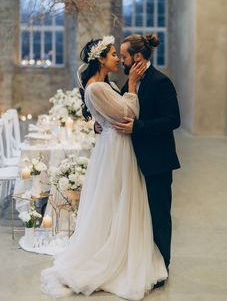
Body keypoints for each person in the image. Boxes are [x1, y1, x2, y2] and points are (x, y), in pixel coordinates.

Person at [41, 36, 168, 300]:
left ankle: (123, 248)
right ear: (100, 59)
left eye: (119, 55)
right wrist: (132, 85)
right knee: (116, 200)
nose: (117, 59)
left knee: (119, 200)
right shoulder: (97, 88)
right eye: (113, 54)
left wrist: (103, 120)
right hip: (116, 150)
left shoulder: (105, 84)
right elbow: (128, 114)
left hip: (118, 147)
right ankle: (112, 255)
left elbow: (114, 112)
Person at [113, 34, 181, 287]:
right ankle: (144, 261)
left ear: (137, 57)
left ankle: (162, 266)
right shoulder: (131, 82)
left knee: (159, 214)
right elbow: (122, 107)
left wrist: (137, 128)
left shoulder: (161, 82)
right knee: (141, 214)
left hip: (158, 161)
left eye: (124, 56)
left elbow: (173, 120)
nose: (121, 60)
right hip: (135, 161)